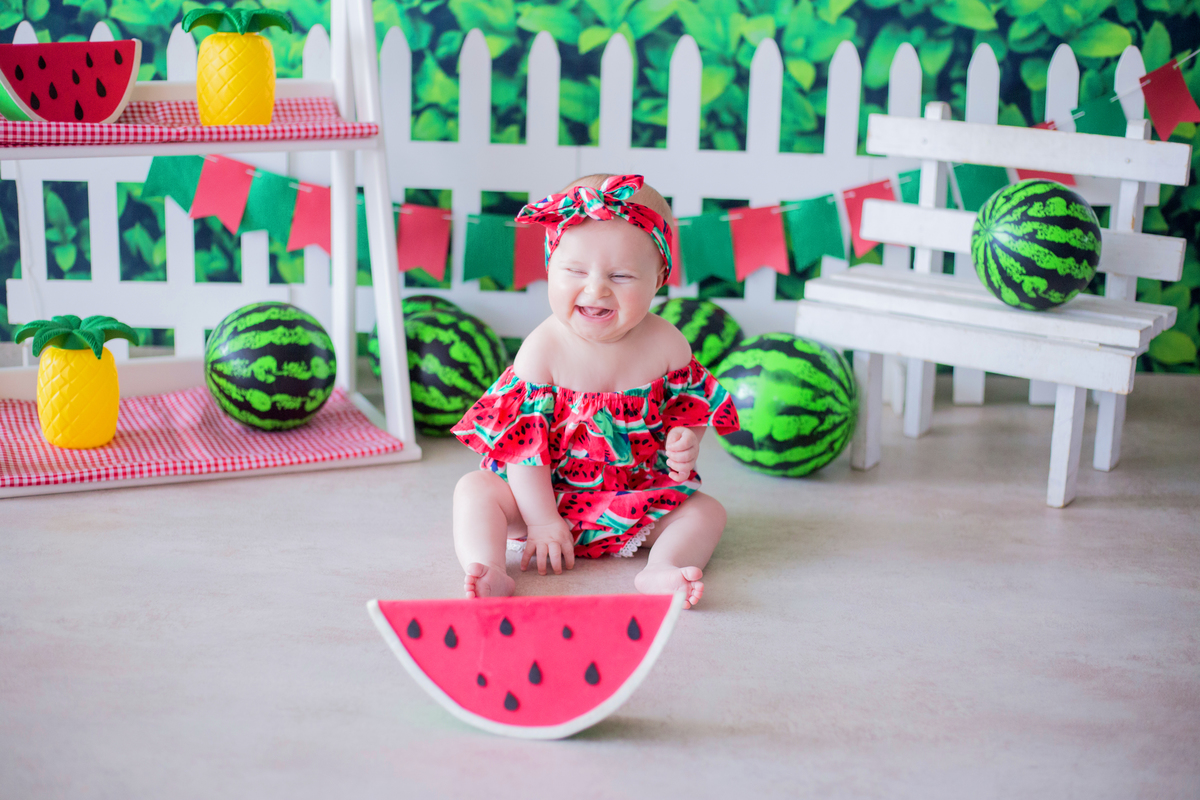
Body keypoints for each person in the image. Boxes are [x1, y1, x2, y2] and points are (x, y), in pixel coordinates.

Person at [450, 174, 739, 609]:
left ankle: (662, 566)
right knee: (474, 490)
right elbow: (524, 453)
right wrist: (544, 521)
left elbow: (688, 410)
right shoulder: (541, 352)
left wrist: (685, 442)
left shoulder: (668, 345)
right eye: (574, 271)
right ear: (550, 265)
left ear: (659, 277)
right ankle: (489, 566)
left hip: (635, 499)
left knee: (707, 512)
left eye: (621, 275)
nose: (596, 288)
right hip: (538, 501)